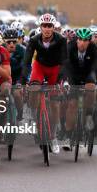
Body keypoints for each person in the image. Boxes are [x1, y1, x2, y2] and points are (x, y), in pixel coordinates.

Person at [21, 13, 67, 154]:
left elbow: (65, 61)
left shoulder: (61, 40)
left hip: (55, 69)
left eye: (49, 26)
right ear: (40, 27)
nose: (47, 29)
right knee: (34, 89)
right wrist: (24, 80)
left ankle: (52, 137)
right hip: (39, 67)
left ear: (53, 27)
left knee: (54, 104)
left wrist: (60, 79)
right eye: (44, 26)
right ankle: (35, 119)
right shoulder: (34, 39)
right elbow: (27, 61)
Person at [60, 28, 97, 150]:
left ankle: (89, 116)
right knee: (72, 105)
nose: (82, 43)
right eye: (80, 39)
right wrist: (65, 81)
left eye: (85, 40)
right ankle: (68, 137)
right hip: (74, 74)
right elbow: (64, 66)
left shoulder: (94, 49)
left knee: (91, 88)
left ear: (89, 41)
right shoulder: (70, 47)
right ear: (76, 39)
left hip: (89, 73)